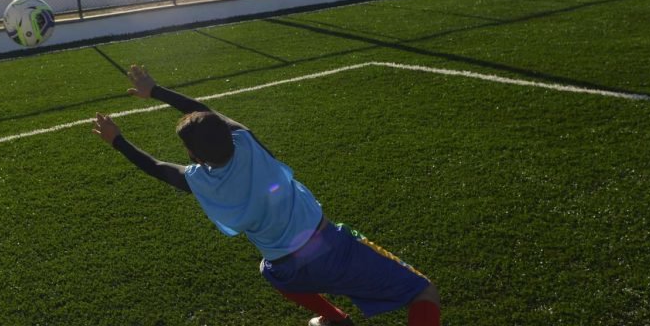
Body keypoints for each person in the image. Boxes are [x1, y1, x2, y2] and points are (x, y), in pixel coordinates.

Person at [91, 65, 441, 326]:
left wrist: (116, 140)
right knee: (424, 292)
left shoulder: (198, 181)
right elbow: (205, 111)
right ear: (229, 134)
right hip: (330, 248)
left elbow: (155, 166)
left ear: (195, 157)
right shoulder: (248, 143)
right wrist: (157, 91)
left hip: (287, 269)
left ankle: (335, 318)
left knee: (268, 269)